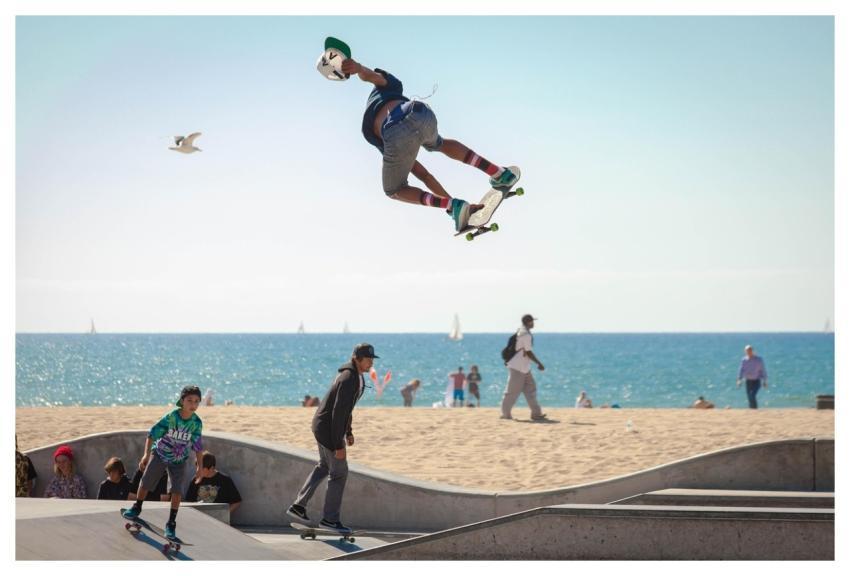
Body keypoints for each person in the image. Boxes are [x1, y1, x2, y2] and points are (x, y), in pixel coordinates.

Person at [339, 57, 520, 232]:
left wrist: (359, 68)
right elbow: (424, 175)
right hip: (420, 111)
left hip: (392, 132)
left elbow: (371, 75)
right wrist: (455, 207)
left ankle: (453, 205)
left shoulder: (373, 131)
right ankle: (499, 173)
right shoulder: (393, 88)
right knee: (439, 143)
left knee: (394, 190)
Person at [286, 343, 377, 534]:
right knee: (339, 473)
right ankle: (329, 519)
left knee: (324, 466)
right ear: (357, 359)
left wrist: (349, 431)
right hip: (328, 430)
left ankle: (299, 506)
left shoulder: (354, 376)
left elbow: (346, 409)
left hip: (323, 426)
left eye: (371, 360)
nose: (370, 363)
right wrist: (338, 444)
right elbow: (338, 412)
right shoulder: (349, 378)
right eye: (368, 359)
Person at [121, 385, 204, 541]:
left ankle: (171, 523)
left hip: (179, 460)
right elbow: (152, 433)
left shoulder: (196, 423)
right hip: (160, 454)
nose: (193, 404)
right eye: (189, 400)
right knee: (145, 481)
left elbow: (198, 445)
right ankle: (137, 507)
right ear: (182, 401)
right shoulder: (172, 417)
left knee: (177, 490)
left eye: (196, 401)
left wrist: (199, 465)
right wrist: (146, 455)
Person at [501, 314, 547, 421]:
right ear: (528, 322)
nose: (533, 323)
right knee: (512, 391)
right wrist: (539, 363)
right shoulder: (526, 334)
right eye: (532, 321)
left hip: (524, 367)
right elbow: (528, 352)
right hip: (518, 367)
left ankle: (536, 414)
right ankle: (505, 414)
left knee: (531, 390)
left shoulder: (521, 331)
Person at [737, 345, 768, 409]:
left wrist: (764, 381)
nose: (749, 352)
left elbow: (763, 370)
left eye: (750, 350)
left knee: (752, 395)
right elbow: (741, 370)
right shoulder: (744, 360)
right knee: (749, 397)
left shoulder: (759, 359)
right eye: (747, 351)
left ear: (753, 351)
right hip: (748, 381)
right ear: (745, 352)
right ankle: (752, 410)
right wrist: (739, 380)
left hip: (756, 381)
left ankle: (755, 409)